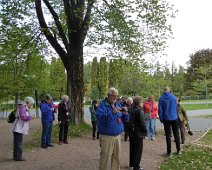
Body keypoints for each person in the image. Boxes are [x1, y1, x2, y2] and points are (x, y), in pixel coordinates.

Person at [96, 87, 129, 170]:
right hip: (107, 136)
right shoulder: (102, 105)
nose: (116, 98)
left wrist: (125, 114)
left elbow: (123, 119)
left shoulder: (117, 104)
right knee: (105, 158)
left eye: (117, 96)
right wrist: (112, 112)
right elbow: (100, 118)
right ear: (109, 95)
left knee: (116, 157)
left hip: (118, 135)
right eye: (114, 96)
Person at [158, 86, 181, 157]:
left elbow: (160, 110)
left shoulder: (161, 98)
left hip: (166, 118)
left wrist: (161, 119)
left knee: (168, 135)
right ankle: (178, 150)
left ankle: (169, 152)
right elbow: (176, 108)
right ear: (169, 90)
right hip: (174, 118)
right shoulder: (174, 97)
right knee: (176, 134)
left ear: (163, 91)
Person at [12, 96, 35, 161]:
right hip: (18, 128)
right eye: (31, 103)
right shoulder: (22, 107)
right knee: (18, 143)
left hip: (19, 128)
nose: (31, 105)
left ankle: (16, 157)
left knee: (17, 143)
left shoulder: (23, 107)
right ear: (28, 102)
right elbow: (23, 117)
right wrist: (30, 117)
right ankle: (18, 157)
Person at [128, 96, 146, 170]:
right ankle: (136, 166)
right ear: (139, 102)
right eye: (142, 102)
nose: (143, 103)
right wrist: (145, 130)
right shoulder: (139, 111)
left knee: (132, 149)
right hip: (138, 134)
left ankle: (131, 164)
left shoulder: (132, 109)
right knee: (138, 151)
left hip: (132, 132)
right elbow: (142, 123)